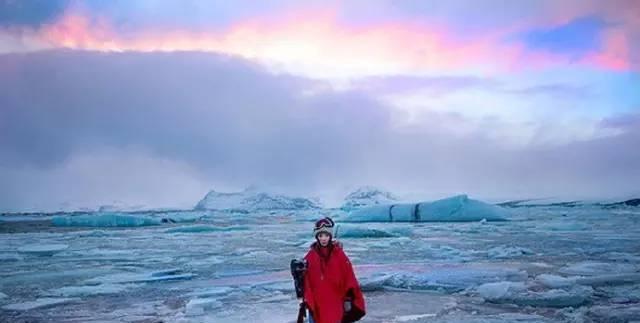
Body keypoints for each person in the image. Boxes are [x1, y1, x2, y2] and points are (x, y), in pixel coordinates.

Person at [303, 217, 366, 323]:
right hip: (318, 303)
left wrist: (349, 299)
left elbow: (349, 277)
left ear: (330, 236)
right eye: (320, 235)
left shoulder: (339, 255)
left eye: (326, 235)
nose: (323, 238)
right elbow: (305, 282)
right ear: (317, 236)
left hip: (336, 302)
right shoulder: (310, 257)